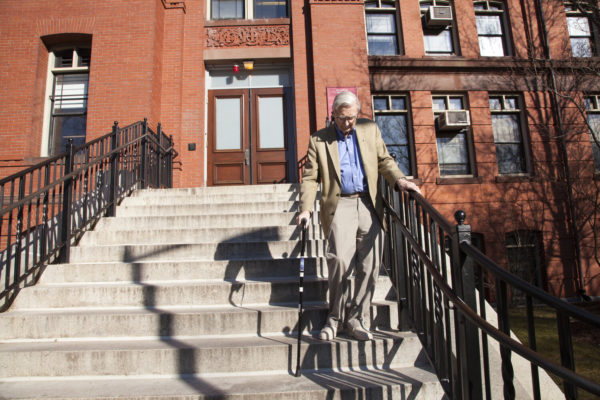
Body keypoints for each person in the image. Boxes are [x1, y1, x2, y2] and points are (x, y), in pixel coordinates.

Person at [297, 90, 421, 341]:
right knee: (339, 261)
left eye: (352, 117)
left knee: (371, 264)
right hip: (340, 203)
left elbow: (384, 160)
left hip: (368, 203)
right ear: (333, 116)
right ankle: (335, 319)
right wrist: (306, 209)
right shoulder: (319, 140)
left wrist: (400, 180)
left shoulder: (369, 129)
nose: (348, 123)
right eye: (342, 119)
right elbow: (310, 178)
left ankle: (357, 319)